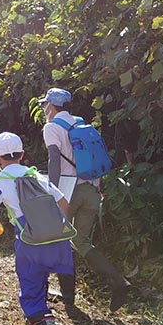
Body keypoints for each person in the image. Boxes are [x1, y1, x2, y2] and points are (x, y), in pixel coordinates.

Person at [0, 132, 71, 325]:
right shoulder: (37, 176)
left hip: (29, 242)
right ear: (22, 154)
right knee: (42, 277)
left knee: (30, 290)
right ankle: (35, 322)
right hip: (57, 240)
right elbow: (63, 203)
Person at [39, 87, 128, 312]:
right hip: (92, 190)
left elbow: (54, 161)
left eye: (44, 105)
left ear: (51, 106)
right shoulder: (81, 124)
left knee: (58, 240)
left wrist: (52, 191)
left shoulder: (52, 128)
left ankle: (67, 298)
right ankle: (118, 282)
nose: (43, 109)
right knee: (81, 242)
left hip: (69, 192)